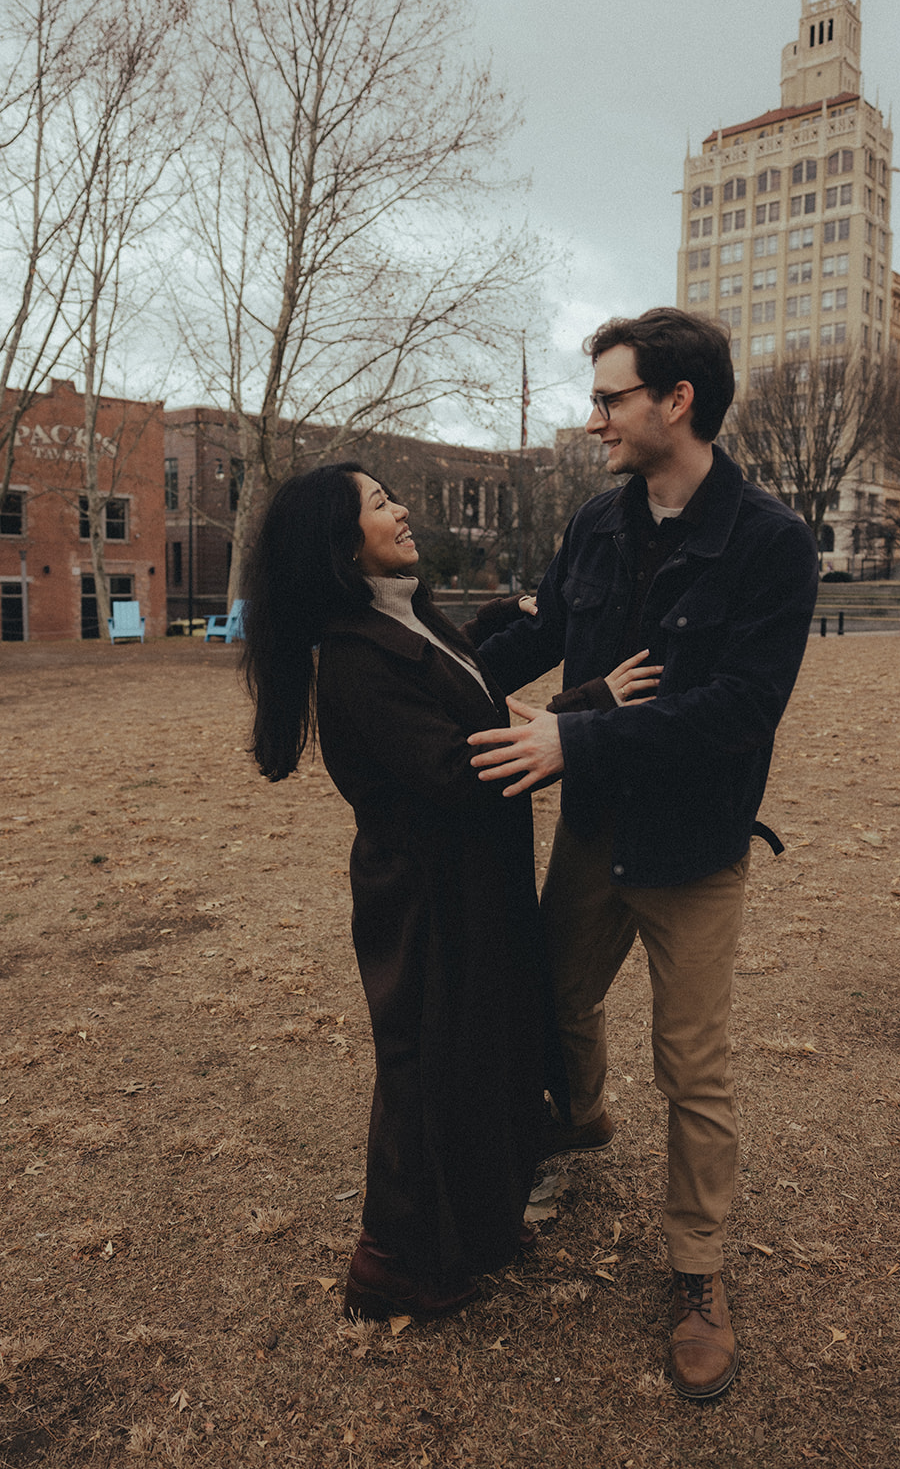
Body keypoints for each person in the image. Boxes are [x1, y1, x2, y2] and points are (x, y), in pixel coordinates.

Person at [467, 308, 819, 1400]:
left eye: (609, 398)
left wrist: (574, 734)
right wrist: (406, 644)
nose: (591, 422)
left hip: (694, 850)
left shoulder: (769, 543)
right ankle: (575, 1121)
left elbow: (735, 711)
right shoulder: (593, 523)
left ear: (675, 401)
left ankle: (697, 1273)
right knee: (551, 1003)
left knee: (693, 1069)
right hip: (592, 834)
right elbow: (535, 639)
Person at [242, 463, 588, 1322]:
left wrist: (503, 621)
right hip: (424, 897)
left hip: (474, 881)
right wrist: (587, 715)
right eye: (378, 503)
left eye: (392, 496)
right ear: (341, 543)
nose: (400, 511)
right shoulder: (353, 659)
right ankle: (390, 1258)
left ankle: (476, 1226)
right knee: (426, 1069)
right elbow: (452, 767)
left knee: (483, 1057)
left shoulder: (404, 615)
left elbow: (454, 681)